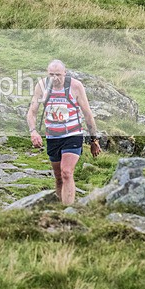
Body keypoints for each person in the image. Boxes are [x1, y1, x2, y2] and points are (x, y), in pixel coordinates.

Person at [26, 59, 101, 206]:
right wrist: (33, 131)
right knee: (59, 177)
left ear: (65, 73)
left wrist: (94, 140)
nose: (55, 78)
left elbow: (87, 114)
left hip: (73, 134)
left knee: (66, 172)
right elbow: (32, 112)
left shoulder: (75, 86)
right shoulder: (42, 86)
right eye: (51, 74)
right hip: (53, 136)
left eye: (58, 75)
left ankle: (69, 211)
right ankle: (61, 209)